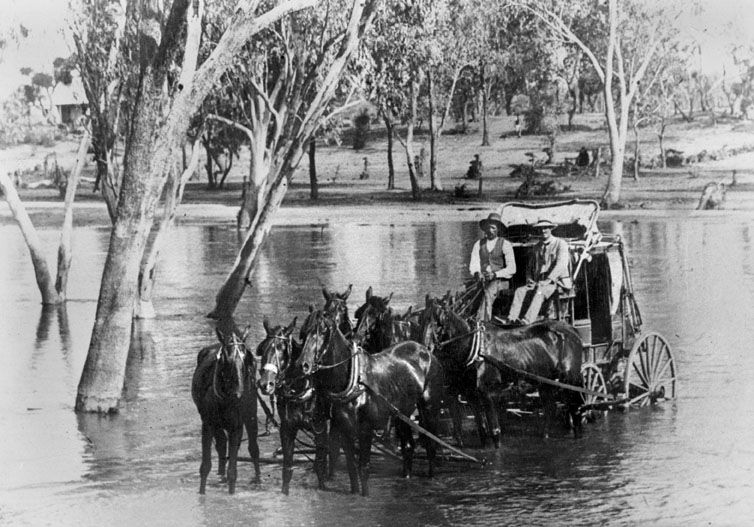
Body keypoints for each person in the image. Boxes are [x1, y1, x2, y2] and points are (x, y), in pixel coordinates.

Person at [505, 219, 572, 325]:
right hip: (539, 281)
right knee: (520, 291)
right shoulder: (537, 247)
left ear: (551, 229)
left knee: (540, 291)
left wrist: (548, 280)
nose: (543, 230)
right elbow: (529, 267)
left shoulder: (560, 244)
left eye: (545, 228)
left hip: (556, 282)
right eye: (540, 228)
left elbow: (561, 265)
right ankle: (511, 319)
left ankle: (527, 320)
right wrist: (529, 279)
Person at [469, 212, 516, 321]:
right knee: (470, 294)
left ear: (498, 229)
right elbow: (474, 263)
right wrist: (477, 273)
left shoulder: (505, 244)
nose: (490, 230)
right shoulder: (478, 244)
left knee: (488, 293)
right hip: (482, 280)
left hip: (500, 282)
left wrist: (495, 274)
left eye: (493, 228)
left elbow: (512, 268)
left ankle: (483, 322)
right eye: (488, 227)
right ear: (485, 229)